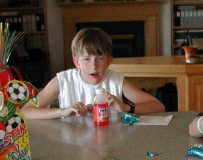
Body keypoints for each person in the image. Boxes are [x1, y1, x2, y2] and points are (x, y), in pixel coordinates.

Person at [21, 28, 164, 119]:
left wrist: (125, 107)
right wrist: (62, 111)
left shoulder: (116, 80)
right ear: (76, 62)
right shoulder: (63, 80)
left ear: (109, 61)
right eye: (86, 59)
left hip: (111, 143)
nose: (93, 66)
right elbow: (26, 111)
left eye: (100, 59)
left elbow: (158, 106)